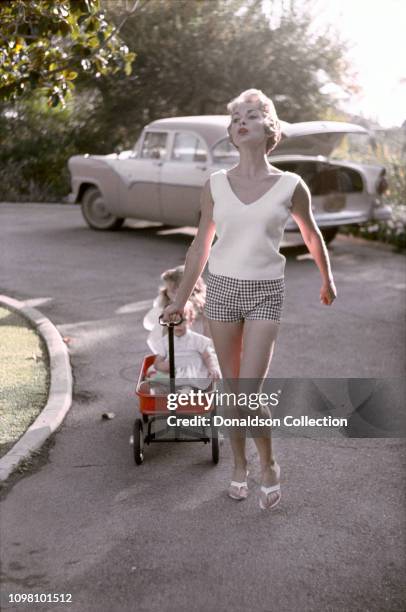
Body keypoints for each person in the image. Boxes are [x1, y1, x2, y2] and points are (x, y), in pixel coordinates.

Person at [162, 88, 337, 509]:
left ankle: (269, 463)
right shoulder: (215, 185)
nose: (243, 120)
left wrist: (327, 279)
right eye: (237, 116)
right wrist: (181, 300)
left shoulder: (291, 186)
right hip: (221, 291)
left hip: (265, 292)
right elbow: (199, 247)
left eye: (253, 115)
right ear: (232, 132)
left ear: (269, 128)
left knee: (247, 395)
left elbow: (311, 235)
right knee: (231, 394)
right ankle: (239, 465)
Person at [145, 301, 221, 391]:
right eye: (173, 321)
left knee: (212, 378)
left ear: (191, 320)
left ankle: (187, 394)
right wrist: (163, 366)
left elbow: (208, 356)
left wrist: (212, 367)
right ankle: (161, 397)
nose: (177, 325)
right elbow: (157, 362)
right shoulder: (166, 341)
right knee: (153, 376)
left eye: (182, 320)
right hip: (174, 373)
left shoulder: (196, 339)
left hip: (193, 372)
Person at [143, 265, 210, 354]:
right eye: (169, 290)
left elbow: (148, 323)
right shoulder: (163, 304)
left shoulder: (205, 311)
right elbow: (148, 323)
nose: (169, 293)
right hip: (172, 353)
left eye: (174, 291)